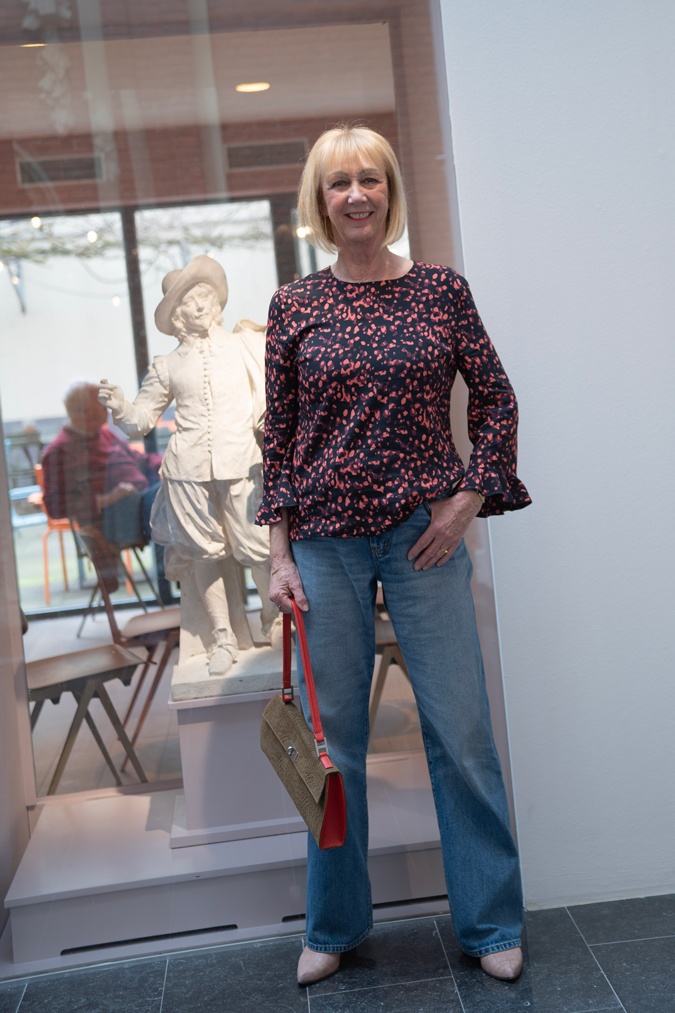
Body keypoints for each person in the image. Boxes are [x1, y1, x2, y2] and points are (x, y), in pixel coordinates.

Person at [257, 124, 532, 986]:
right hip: (324, 544)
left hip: (423, 538)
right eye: (339, 182)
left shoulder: (441, 291)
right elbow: (279, 440)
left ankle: (490, 922)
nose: (356, 195)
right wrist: (279, 554)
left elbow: (496, 402)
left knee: (461, 733)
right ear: (320, 200)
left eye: (369, 179)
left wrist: (465, 501)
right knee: (333, 743)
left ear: (389, 191)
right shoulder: (293, 305)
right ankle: (333, 923)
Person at [99, 255, 282, 676]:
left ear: (215, 300)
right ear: (176, 315)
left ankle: (273, 621)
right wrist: (121, 406)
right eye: (187, 301)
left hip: (242, 463)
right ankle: (222, 637)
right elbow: (141, 420)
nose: (198, 306)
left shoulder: (246, 346)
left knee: (258, 549)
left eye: (202, 296)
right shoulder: (168, 365)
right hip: (188, 471)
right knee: (204, 554)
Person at [41, 380, 165, 593]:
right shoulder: (59, 451)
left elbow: (140, 460)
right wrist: (110, 497)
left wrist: (167, 463)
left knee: (173, 490)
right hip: (112, 523)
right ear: (81, 412)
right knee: (166, 499)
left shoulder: (103, 434)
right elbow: (55, 506)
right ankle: (178, 573)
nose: (107, 412)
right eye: (101, 406)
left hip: (138, 506)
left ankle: (183, 570)